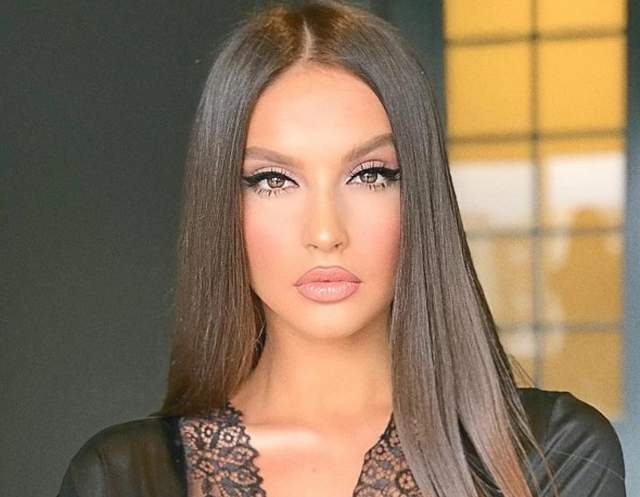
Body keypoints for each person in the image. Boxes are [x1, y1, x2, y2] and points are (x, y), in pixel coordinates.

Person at [56, 1, 626, 496]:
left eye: (369, 175)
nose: (326, 231)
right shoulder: (121, 476)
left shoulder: (553, 454)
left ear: (419, 196)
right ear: (224, 203)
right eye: (274, 180)